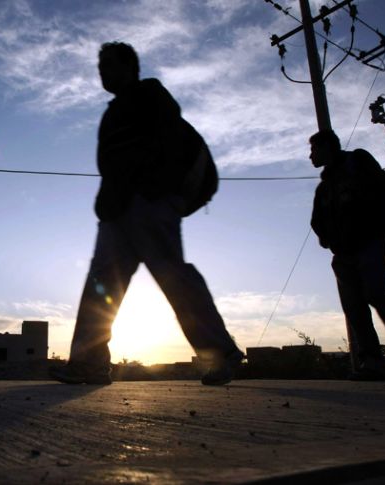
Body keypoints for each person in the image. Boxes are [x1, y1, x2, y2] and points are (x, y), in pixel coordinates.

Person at [49, 41, 243, 386]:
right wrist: (108, 204)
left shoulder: (151, 95)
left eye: (109, 65)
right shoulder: (113, 112)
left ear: (130, 67)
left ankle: (220, 354)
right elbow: (107, 164)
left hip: (150, 205)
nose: (102, 72)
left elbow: (168, 145)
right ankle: (89, 364)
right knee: (101, 287)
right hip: (116, 212)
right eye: (100, 67)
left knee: (174, 278)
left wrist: (154, 190)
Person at [309, 129, 385, 381]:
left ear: (327, 147)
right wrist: (330, 241)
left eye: (314, 149)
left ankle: (373, 361)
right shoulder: (323, 189)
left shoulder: (358, 161)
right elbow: (316, 221)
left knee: (375, 294)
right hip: (343, 255)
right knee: (355, 308)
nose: (311, 156)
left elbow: (381, 189)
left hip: (371, 242)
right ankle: (372, 363)